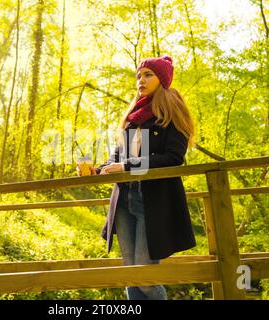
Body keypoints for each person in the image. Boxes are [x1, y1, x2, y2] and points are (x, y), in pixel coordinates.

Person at [77, 55, 196, 300]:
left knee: (145, 276)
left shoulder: (172, 111)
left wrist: (127, 166)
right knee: (130, 274)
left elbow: (174, 157)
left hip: (153, 201)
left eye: (148, 75)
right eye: (138, 75)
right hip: (125, 199)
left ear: (161, 79)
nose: (140, 80)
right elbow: (116, 159)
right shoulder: (133, 118)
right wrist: (96, 171)